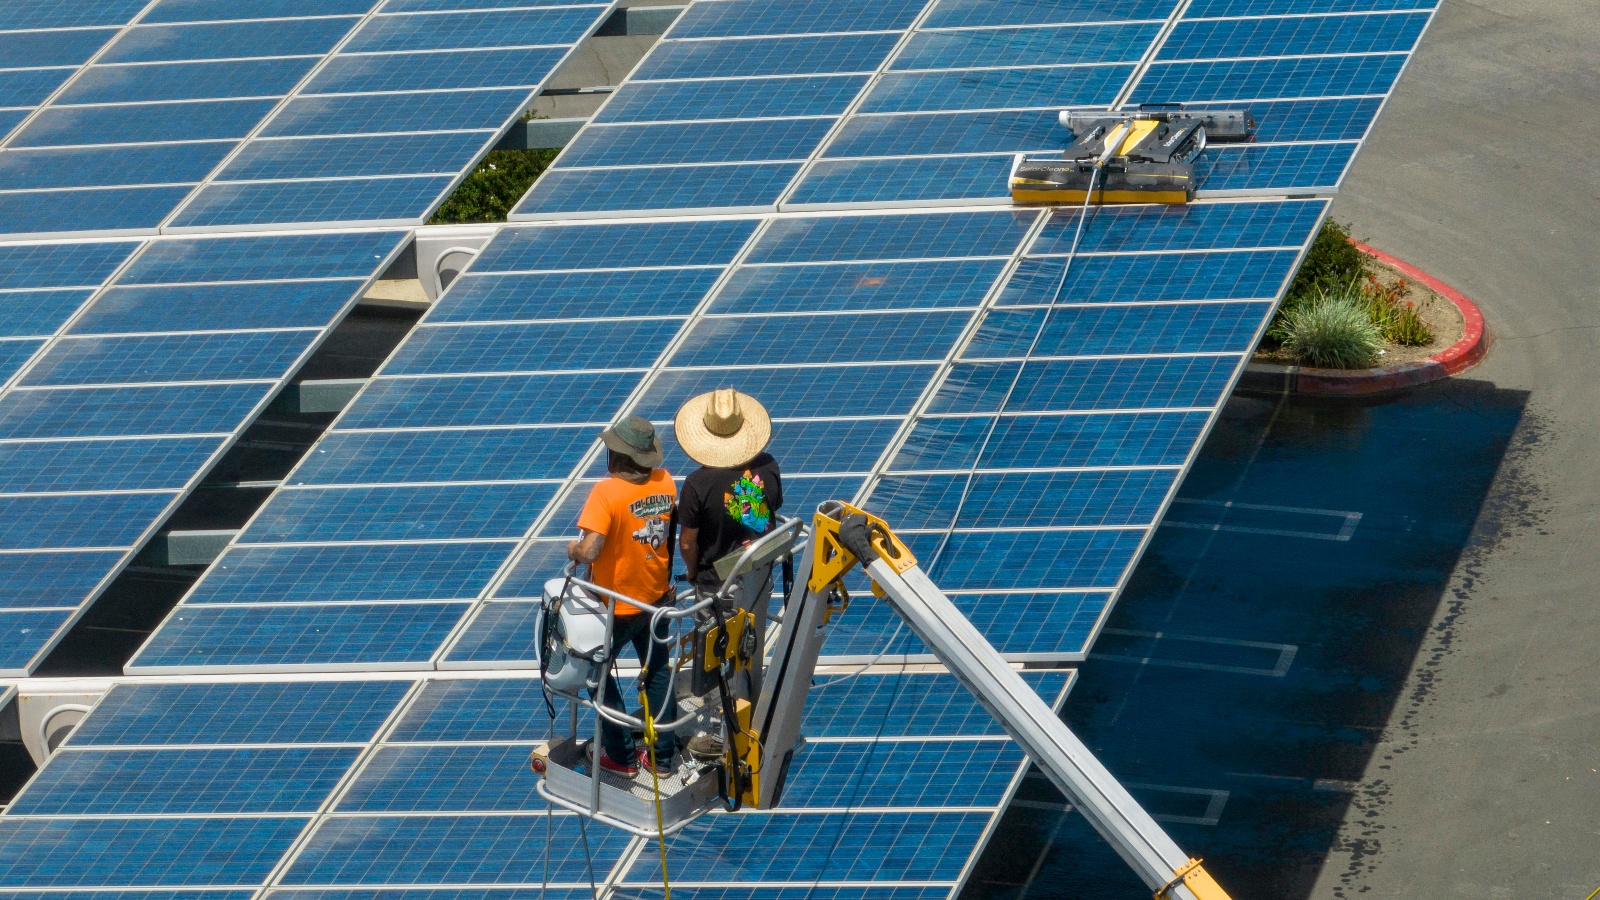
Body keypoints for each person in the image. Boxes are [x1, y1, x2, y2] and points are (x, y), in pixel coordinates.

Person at [567, 415, 678, 776]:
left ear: (617, 456)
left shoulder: (606, 492)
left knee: (593, 674)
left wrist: (573, 549)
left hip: (616, 608)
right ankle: (662, 759)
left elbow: (593, 549)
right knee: (659, 670)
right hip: (656, 600)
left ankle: (621, 756)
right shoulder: (666, 482)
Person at [675, 389, 783, 720]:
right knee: (751, 643)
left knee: (715, 651)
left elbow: (688, 542)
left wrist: (692, 573)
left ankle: (723, 718)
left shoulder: (696, 483)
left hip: (714, 581)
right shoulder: (767, 466)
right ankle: (747, 709)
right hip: (757, 574)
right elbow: (773, 508)